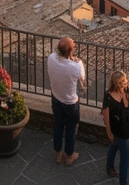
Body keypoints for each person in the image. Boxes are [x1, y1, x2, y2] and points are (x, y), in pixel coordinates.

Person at [47, 37, 86, 165]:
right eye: (73, 44)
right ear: (71, 50)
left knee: (58, 124)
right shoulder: (76, 66)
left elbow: (57, 55)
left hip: (56, 97)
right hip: (70, 102)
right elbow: (82, 79)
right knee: (71, 127)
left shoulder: (51, 58)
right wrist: (74, 58)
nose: (74, 43)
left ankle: (57, 154)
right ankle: (69, 156)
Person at [103, 70, 129, 184]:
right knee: (125, 159)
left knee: (114, 145)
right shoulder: (109, 96)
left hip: (126, 128)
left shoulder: (125, 93)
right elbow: (106, 114)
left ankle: (109, 167)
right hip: (121, 132)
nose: (122, 84)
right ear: (114, 83)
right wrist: (108, 131)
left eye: (124, 82)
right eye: (120, 82)